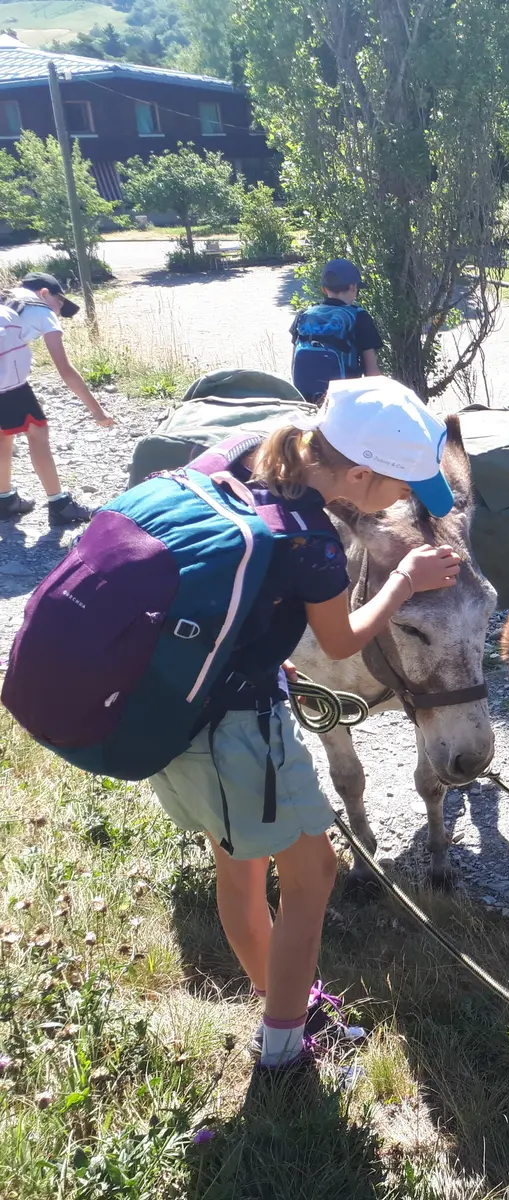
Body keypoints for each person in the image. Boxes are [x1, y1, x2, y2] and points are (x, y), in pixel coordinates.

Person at [148, 377, 462, 1082]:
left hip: (181, 698)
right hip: (237, 729)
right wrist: (405, 580)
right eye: (401, 489)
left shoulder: (247, 454)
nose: (403, 505)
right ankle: (285, 1054)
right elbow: (343, 639)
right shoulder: (314, 541)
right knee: (313, 874)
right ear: (360, 474)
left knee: (239, 864)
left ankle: (282, 1003)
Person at [0, 272, 115, 525]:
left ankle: (4, 498)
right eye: (59, 302)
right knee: (37, 431)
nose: (59, 310)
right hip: (7, 382)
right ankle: (59, 504)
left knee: (3, 433)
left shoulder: (7, 298)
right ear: (44, 293)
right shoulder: (43, 311)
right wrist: (98, 412)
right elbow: (65, 370)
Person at [290, 258, 384, 402]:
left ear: (324, 289)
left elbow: (294, 365)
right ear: (353, 287)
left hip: (305, 401)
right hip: (343, 402)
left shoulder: (303, 315)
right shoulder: (359, 317)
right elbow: (372, 373)